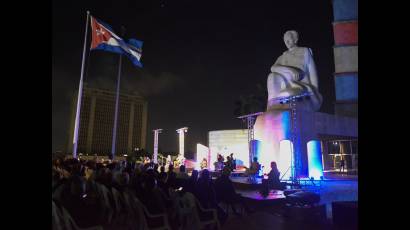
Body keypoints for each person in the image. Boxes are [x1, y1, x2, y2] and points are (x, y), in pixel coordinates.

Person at [267, 30, 322, 111]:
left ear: (295, 40)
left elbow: (313, 73)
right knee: (272, 76)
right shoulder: (283, 56)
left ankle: (288, 103)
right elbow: (273, 68)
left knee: (291, 93)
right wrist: (290, 70)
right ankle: (272, 105)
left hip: (301, 85)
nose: (287, 42)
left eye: (289, 39)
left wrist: (314, 92)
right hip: (285, 84)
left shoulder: (304, 51)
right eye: (285, 40)